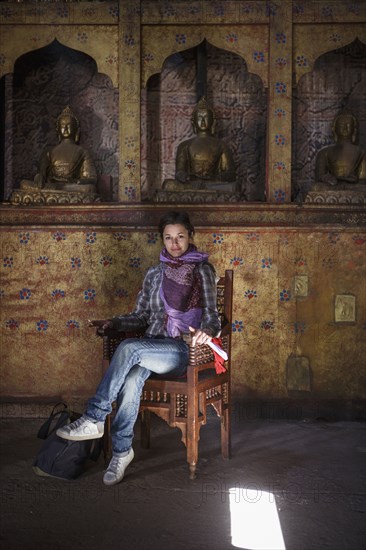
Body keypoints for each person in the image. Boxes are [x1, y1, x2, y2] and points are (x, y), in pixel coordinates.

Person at [56, 211, 221, 486]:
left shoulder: (203, 270)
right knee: (132, 379)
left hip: (180, 351)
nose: (175, 243)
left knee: (130, 347)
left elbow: (213, 317)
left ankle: (95, 417)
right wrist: (115, 322)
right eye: (168, 238)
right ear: (163, 240)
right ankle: (122, 452)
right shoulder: (154, 274)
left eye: (180, 237)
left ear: (190, 236)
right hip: (151, 347)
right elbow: (141, 316)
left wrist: (206, 332)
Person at [163, 97, 237, 192]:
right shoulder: (185, 145)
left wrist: (215, 178)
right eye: (199, 117)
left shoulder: (221, 145)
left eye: (206, 117)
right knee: (168, 185)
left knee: (234, 187)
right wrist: (186, 177)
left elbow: (230, 174)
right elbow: (179, 172)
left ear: (213, 121)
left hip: (213, 184)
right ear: (193, 122)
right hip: (192, 184)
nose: (202, 121)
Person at [21, 105, 97, 193]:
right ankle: (58, 193)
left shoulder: (83, 152)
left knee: (89, 189)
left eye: (69, 126)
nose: (65, 129)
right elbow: (41, 174)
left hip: (71, 187)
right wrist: (39, 177)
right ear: (57, 130)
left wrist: (79, 181)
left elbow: (91, 178)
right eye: (62, 126)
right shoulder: (49, 151)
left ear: (76, 130)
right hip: (52, 186)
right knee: (24, 184)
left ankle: (58, 193)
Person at [315, 110, 366, 186]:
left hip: (354, 188)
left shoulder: (362, 152)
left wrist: (355, 180)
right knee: (317, 187)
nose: (345, 128)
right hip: (331, 187)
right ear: (334, 128)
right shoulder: (324, 152)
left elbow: (363, 179)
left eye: (349, 125)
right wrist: (326, 178)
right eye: (341, 125)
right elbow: (320, 175)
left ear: (354, 129)